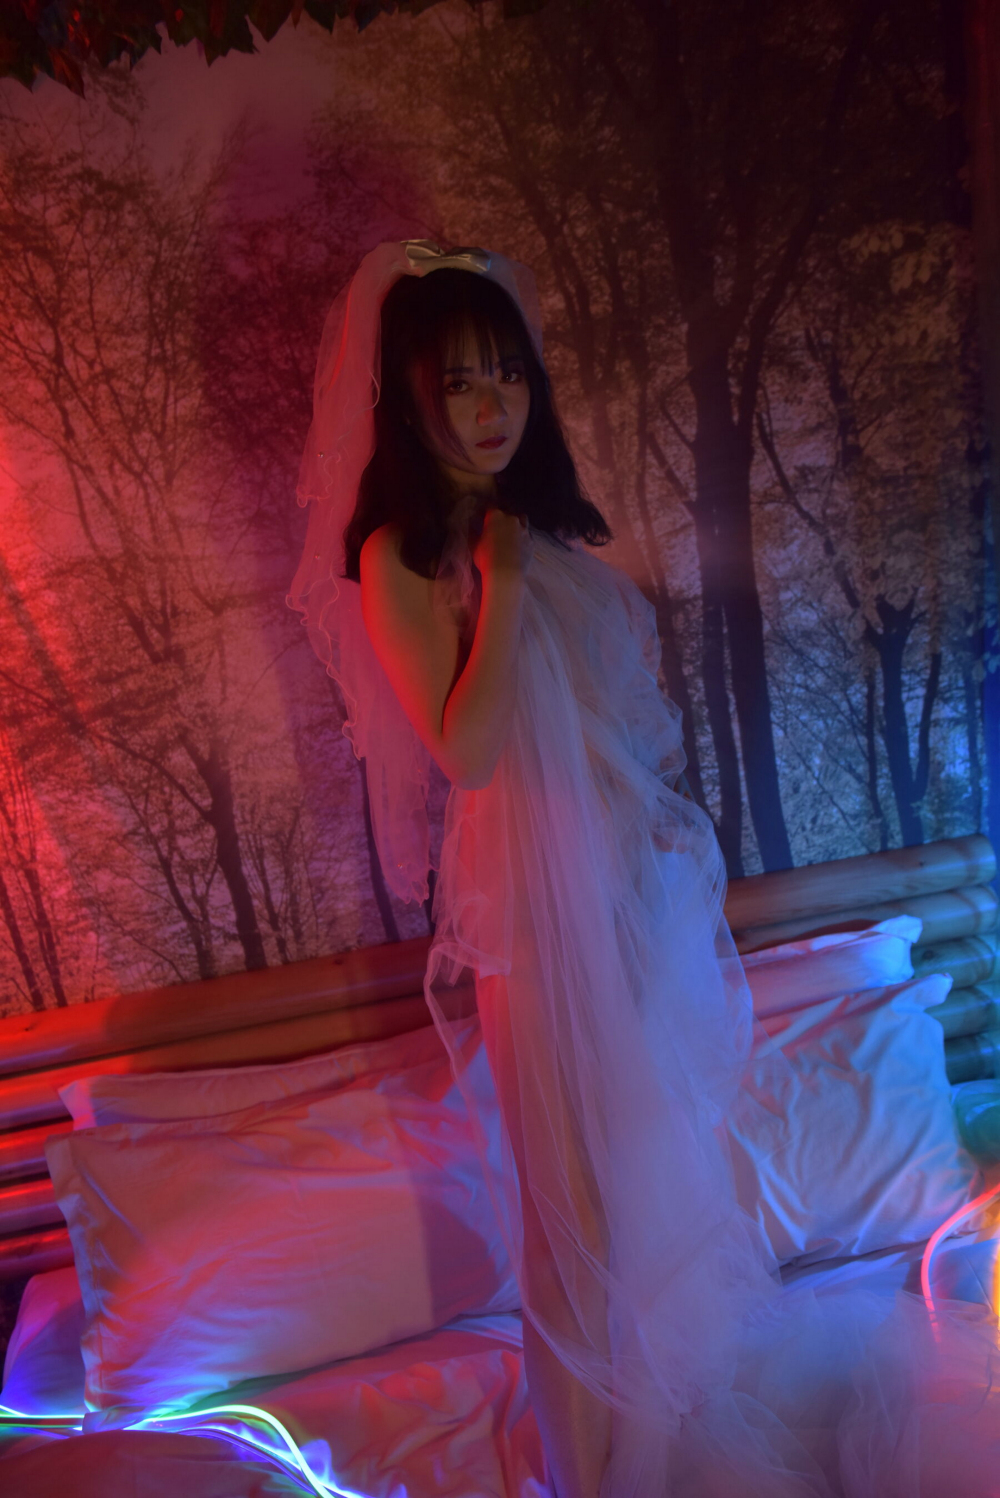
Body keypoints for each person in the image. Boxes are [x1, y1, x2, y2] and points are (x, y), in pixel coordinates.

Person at [289, 241, 1000, 1498]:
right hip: (526, 921)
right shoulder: (403, 554)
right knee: (566, 1219)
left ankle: (643, 1434)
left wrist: (656, 886)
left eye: (509, 374)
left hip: (622, 906)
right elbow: (468, 749)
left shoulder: (547, 548)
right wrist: (501, 581)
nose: (493, 406)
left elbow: (618, 750)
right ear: (409, 395)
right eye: (460, 382)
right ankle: (587, 1478)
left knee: (645, 1197)